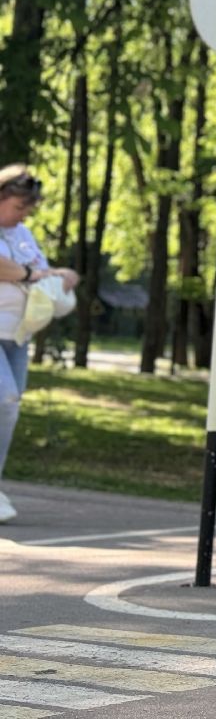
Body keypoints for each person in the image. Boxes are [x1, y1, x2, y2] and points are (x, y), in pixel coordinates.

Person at [0, 165, 79, 525]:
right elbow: (11, 269)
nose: (24, 213)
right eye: (18, 206)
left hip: (17, 335)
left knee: (9, 408)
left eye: (27, 208)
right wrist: (34, 275)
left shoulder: (24, 235)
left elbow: (40, 270)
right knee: (4, 399)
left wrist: (62, 276)